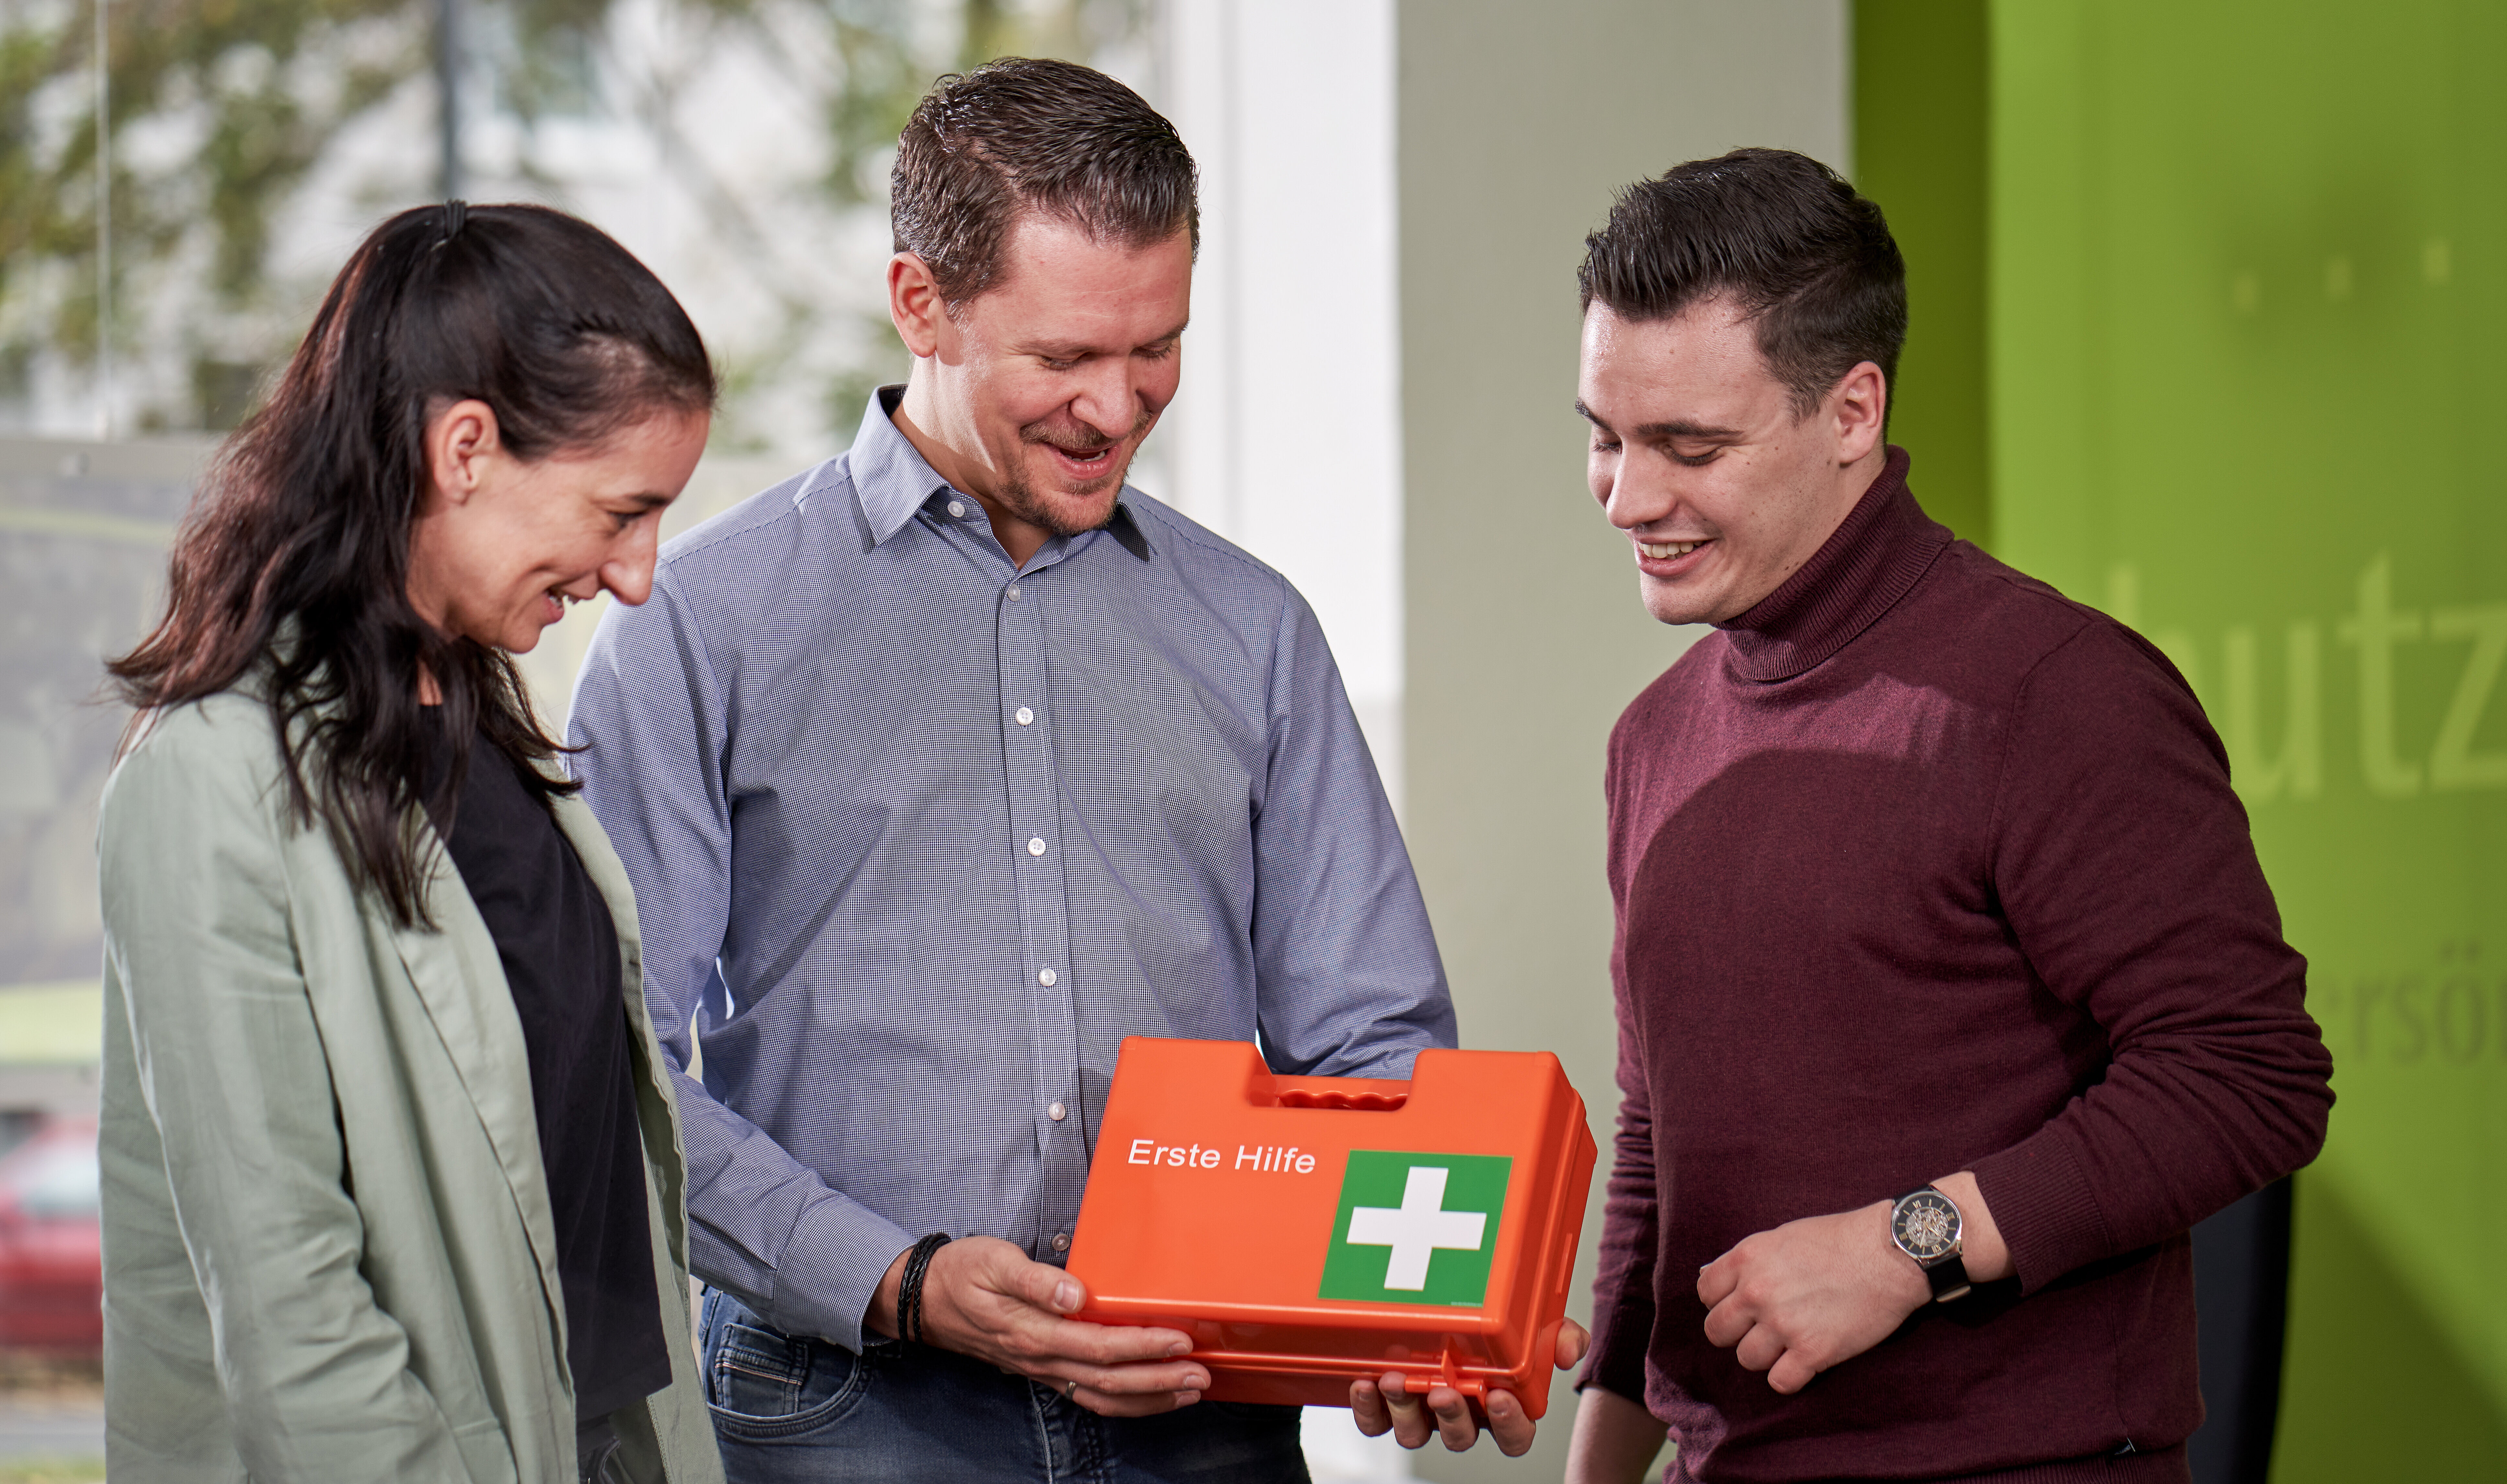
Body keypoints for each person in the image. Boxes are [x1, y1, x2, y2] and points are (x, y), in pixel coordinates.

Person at [566, 57, 1579, 1483]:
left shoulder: (1252, 629)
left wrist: (1418, 1314)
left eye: (1154, 347)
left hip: (1203, 1420)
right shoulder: (697, 624)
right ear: (921, 302)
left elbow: (1371, 1040)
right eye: (1062, 358)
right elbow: (618, 1075)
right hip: (851, 1409)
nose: (1117, 408)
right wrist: (898, 1278)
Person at [1559, 150, 2335, 1484]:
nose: (1629, 498)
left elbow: (2247, 1075)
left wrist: (1907, 1247)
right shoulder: (1654, 740)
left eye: (1690, 447)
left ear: (1851, 410)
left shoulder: (2054, 695)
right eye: (1604, 436)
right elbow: (1658, 1150)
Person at [98, 202, 728, 1484]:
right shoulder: (210, 786)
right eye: (621, 510)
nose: (640, 575)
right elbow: (297, 1323)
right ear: (465, 448)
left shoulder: (483, 725)